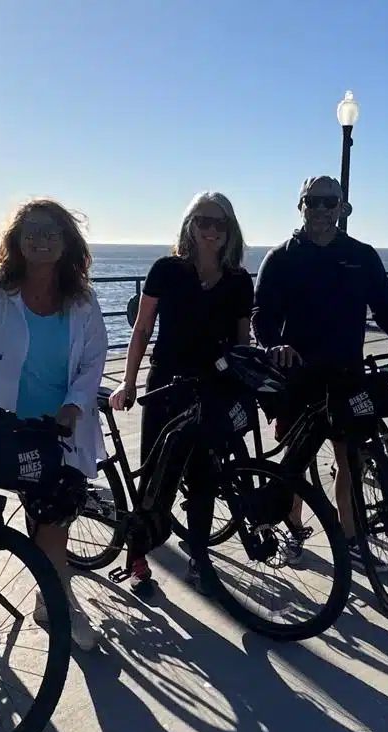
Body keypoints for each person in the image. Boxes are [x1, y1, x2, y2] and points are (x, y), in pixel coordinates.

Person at [253, 175, 388, 563]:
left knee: (350, 461)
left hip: (347, 374)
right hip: (297, 376)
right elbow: (262, 316)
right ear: (300, 205)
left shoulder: (361, 255)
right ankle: (295, 532)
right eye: (313, 201)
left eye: (329, 202)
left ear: (342, 207)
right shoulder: (282, 257)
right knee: (294, 463)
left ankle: (351, 541)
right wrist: (273, 345)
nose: (321, 209)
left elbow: (387, 305)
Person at [0, 198, 106, 651]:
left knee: (52, 524)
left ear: (66, 242)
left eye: (51, 232)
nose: (40, 240)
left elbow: (95, 359)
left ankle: (55, 602)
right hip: (3, 424)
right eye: (32, 231)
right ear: (17, 240)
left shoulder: (81, 299)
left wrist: (75, 404)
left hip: (59, 430)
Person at [111, 192, 253, 588]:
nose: (210, 230)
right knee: (156, 477)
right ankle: (137, 556)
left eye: (218, 223)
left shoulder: (240, 281)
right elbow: (142, 330)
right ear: (189, 225)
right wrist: (128, 381)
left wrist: (245, 385)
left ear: (230, 230)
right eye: (202, 221)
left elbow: (242, 343)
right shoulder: (166, 271)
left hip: (213, 387)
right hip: (167, 386)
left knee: (206, 475)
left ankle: (200, 558)